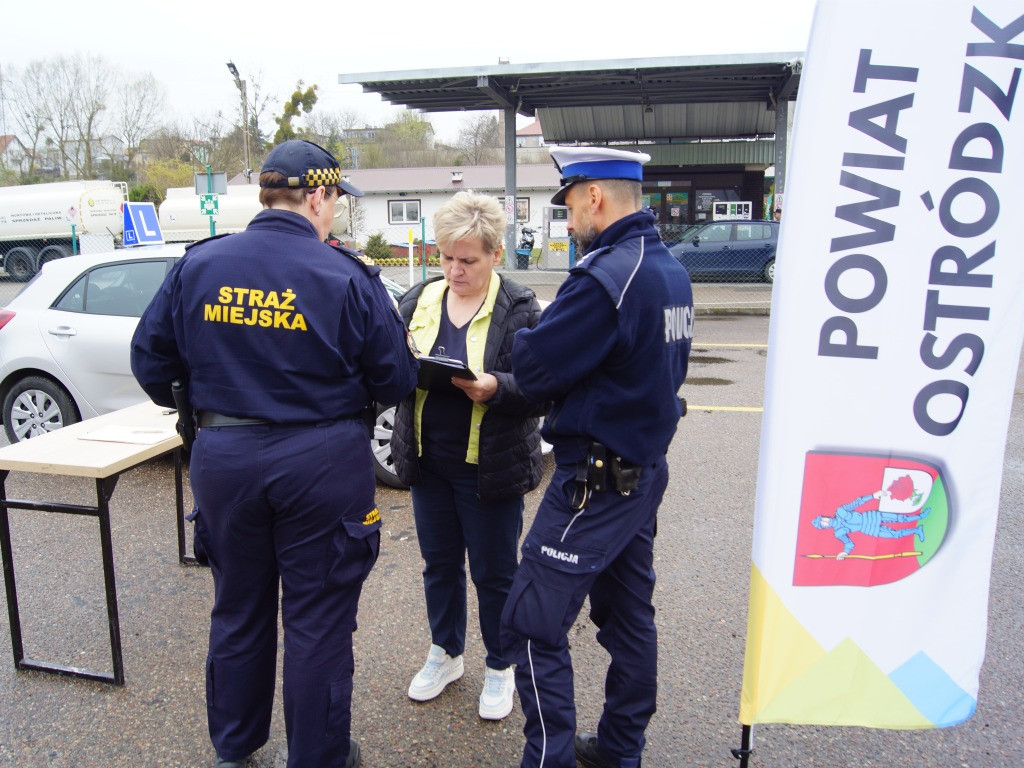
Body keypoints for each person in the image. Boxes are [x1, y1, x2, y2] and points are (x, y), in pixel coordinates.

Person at [130, 139, 418, 768]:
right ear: (316, 195)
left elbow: (150, 362)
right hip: (321, 460)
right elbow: (395, 377)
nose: (336, 210)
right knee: (316, 621)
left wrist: (208, 403)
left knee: (239, 605)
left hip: (224, 455)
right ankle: (317, 757)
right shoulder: (347, 275)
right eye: (336, 198)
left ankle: (235, 746)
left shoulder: (199, 265)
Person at [500, 146, 694, 768]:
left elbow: (531, 366)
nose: (569, 221)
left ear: (595, 198)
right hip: (640, 478)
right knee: (629, 619)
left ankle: (549, 759)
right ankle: (618, 752)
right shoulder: (669, 271)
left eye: (570, 206)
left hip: (593, 484)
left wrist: (541, 328)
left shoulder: (605, 278)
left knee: (531, 625)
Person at [390, 190, 546, 721]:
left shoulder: (520, 307)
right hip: (429, 463)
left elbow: (540, 387)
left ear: (495, 255)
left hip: (489, 465)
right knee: (439, 564)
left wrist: (496, 387)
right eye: (447, 258)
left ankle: (500, 666)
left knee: (495, 571)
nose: (454, 271)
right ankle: (447, 652)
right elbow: (388, 365)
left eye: (468, 260)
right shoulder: (420, 298)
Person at [812, 489, 930, 559]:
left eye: (823, 519)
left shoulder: (840, 511)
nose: (825, 521)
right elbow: (848, 543)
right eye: (823, 524)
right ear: (824, 527)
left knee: (900, 518)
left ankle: (920, 516)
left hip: (871, 516)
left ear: (825, 516)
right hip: (869, 529)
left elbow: (857, 503)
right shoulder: (838, 533)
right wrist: (845, 552)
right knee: (895, 534)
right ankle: (916, 530)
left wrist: (873, 496)